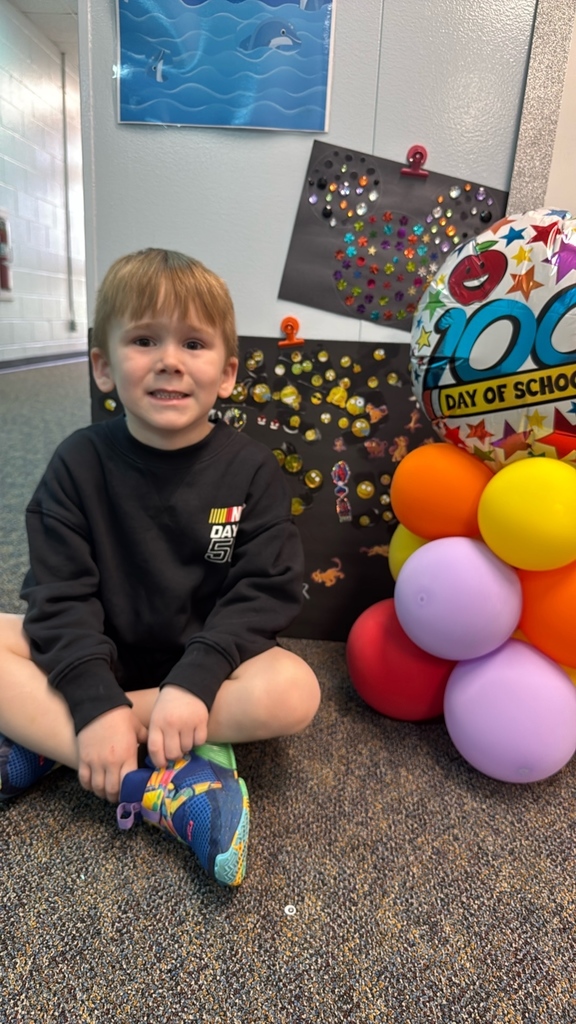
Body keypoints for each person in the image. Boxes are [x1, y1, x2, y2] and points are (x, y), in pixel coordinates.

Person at [0, 248, 320, 887]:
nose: (170, 360)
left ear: (226, 374)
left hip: (207, 665)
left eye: (193, 344)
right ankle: (159, 781)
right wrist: (94, 698)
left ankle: (50, 742)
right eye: (145, 340)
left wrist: (195, 679)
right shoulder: (76, 463)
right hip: (98, 653)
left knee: (297, 690)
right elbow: (59, 595)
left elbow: (266, 589)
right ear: (104, 366)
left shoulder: (251, 470)